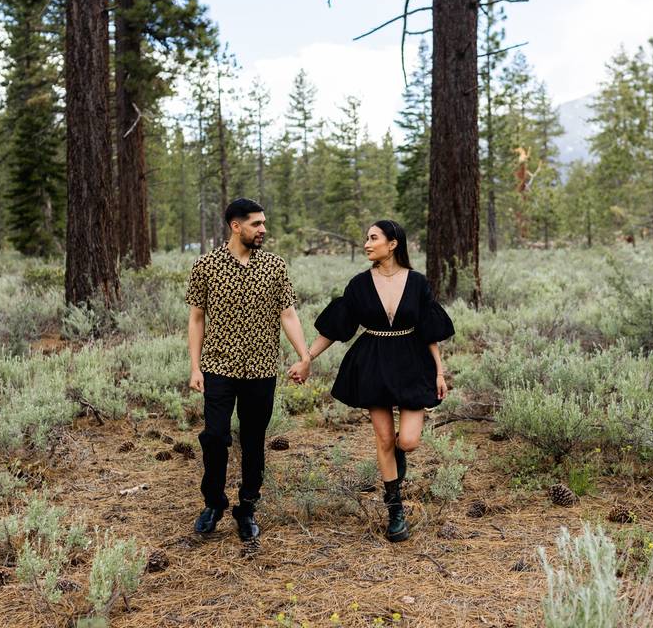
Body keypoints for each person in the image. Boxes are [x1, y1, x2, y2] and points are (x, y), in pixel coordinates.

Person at [293, 219, 454, 542]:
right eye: (366, 239)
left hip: (412, 362)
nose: (366, 244)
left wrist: (439, 371)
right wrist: (307, 357)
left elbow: (430, 332)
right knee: (383, 440)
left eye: (373, 238)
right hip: (373, 363)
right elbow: (334, 329)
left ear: (393, 244)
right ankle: (395, 509)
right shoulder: (359, 285)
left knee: (406, 441)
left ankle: (398, 459)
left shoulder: (418, 282)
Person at [186, 198, 311, 541]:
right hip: (218, 367)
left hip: (261, 368)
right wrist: (195, 367)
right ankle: (213, 503)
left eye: (264, 223)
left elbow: (288, 314)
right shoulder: (206, 266)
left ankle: (247, 508)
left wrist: (304, 355)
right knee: (214, 436)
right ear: (235, 226)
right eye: (256, 224)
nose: (263, 230)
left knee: (254, 440)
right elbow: (197, 318)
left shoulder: (274, 266)